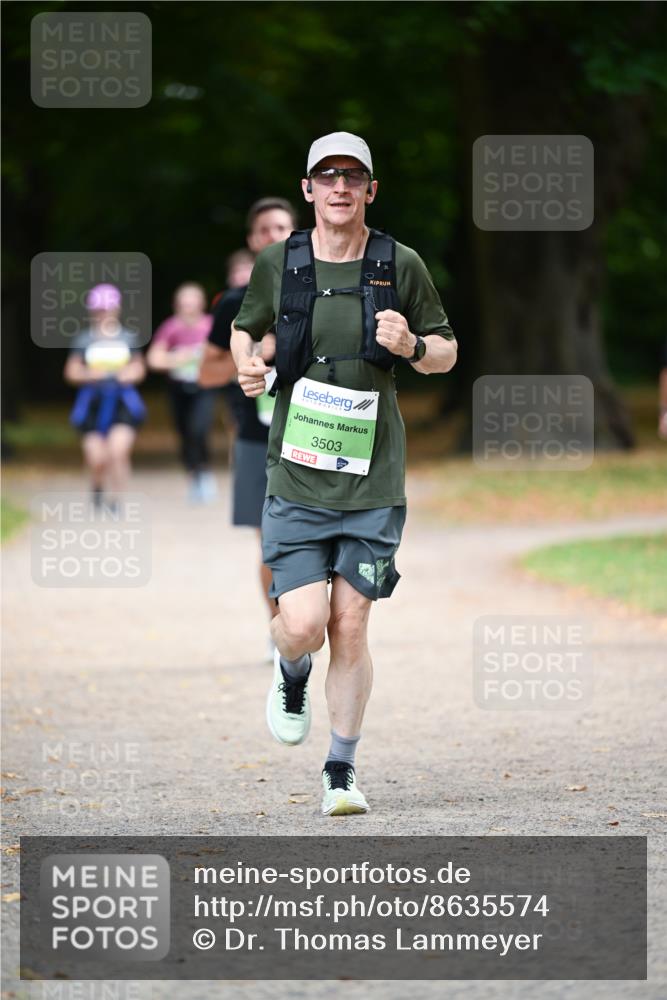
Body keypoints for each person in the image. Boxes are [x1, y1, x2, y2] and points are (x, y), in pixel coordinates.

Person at [231, 133, 457, 816]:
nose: (338, 187)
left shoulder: (399, 263)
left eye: (351, 177)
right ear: (307, 190)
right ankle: (291, 668)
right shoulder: (281, 262)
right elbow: (245, 328)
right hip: (297, 474)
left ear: (369, 189)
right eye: (324, 176)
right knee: (301, 625)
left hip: (372, 478)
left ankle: (340, 771)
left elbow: (445, 352)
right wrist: (246, 361)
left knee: (351, 623)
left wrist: (412, 345)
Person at [200, 198, 297, 660]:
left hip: (315, 429)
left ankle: (310, 623)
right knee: (270, 542)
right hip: (257, 437)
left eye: (282, 227)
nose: (273, 235)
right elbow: (206, 373)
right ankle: (278, 629)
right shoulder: (235, 304)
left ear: (295, 234)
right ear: (253, 240)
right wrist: (251, 356)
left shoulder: (318, 290)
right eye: (265, 229)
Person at [64, 283, 146, 509]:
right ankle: (97, 485)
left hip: (122, 403)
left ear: (116, 310)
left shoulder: (128, 338)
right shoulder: (83, 340)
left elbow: (139, 368)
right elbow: (71, 372)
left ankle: (117, 499)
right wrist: (90, 374)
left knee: (117, 451)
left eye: (107, 309)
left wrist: (127, 374)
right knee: (96, 457)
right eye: (99, 309)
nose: (103, 314)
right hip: (93, 403)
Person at [147, 283, 217, 503]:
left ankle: (203, 472)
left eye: (192, 302)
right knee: (184, 433)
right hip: (177, 388)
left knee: (200, 429)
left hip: (204, 386)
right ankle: (192, 476)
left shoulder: (211, 326)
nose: (188, 307)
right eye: (184, 303)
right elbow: (154, 359)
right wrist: (178, 358)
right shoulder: (171, 327)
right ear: (177, 305)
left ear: (202, 303)